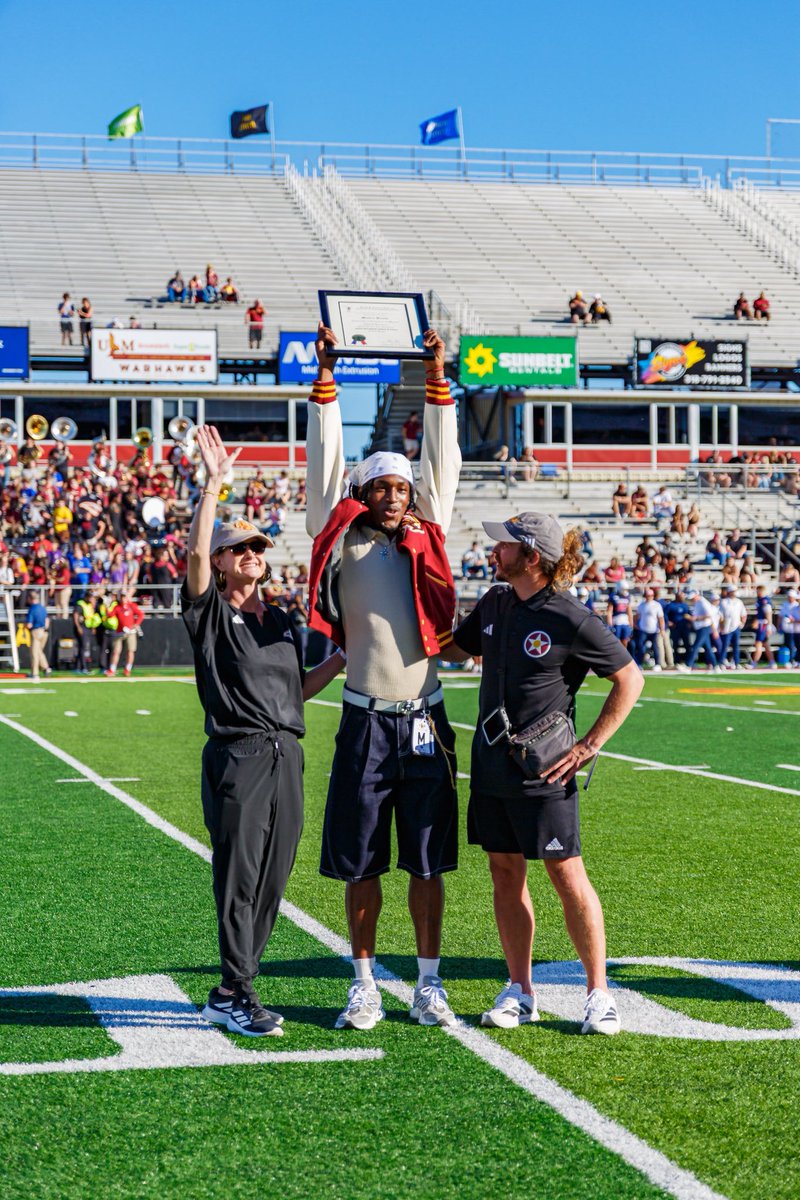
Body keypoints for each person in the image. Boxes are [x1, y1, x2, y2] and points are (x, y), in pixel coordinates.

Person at [306, 322, 461, 1032]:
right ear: (362, 493)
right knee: (362, 862)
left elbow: (442, 461)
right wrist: (326, 379)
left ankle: (428, 983)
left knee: (427, 862)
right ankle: (364, 983)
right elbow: (324, 467)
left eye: (404, 487)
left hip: (427, 719)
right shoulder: (340, 537)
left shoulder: (429, 533)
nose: (397, 496)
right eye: (383, 487)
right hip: (365, 719)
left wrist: (437, 379)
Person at [443, 511, 643, 1033]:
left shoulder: (570, 616)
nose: (495, 551)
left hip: (546, 772)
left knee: (566, 874)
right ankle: (520, 990)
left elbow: (630, 679)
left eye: (505, 545)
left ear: (532, 556)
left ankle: (599, 993)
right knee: (504, 872)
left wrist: (590, 744)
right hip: (490, 766)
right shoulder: (494, 601)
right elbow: (451, 648)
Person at [182, 425, 344, 1037]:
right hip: (240, 754)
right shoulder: (209, 613)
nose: (252, 552)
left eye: (258, 547)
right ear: (222, 562)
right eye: (240, 547)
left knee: (274, 876)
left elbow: (294, 690)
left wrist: (341, 659)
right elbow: (193, 558)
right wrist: (213, 486)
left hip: (287, 754)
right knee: (240, 876)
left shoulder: (278, 620)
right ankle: (241, 989)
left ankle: (229, 990)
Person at [103, 590, 145, 677]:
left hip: (131, 632)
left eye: (124, 597)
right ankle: (112, 669)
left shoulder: (132, 606)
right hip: (120, 632)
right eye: (122, 597)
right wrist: (107, 606)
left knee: (130, 650)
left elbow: (141, 614)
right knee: (116, 651)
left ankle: (127, 669)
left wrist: (136, 624)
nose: (123, 599)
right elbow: (110, 615)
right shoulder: (117, 607)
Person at [679, 590, 720, 672]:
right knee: (708, 648)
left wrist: (694, 618)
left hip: (704, 627)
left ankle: (688, 665)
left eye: (693, 597)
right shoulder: (698, 602)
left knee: (696, 646)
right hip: (700, 628)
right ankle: (716, 666)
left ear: (697, 595)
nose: (692, 599)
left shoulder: (703, 602)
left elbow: (709, 615)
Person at [634, 587, 665, 670]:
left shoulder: (657, 605)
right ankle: (639, 664)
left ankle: (657, 664)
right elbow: (637, 616)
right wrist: (635, 624)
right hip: (643, 630)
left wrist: (662, 629)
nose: (649, 597)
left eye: (650, 595)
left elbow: (660, 618)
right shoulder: (641, 605)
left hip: (654, 630)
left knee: (655, 647)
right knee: (641, 647)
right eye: (647, 595)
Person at [719, 585, 747, 669]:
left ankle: (737, 663)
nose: (734, 593)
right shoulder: (723, 602)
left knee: (736, 646)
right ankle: (721, 663)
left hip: (736, 627)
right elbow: (720, 616)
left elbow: (743, 614)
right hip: (727, 627)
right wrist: (721, 626)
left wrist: (742, 623)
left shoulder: (739, 602)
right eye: (733, 591)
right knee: (725, 645)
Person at [748, 585, 776, 668]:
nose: (757, 593)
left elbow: (768, 614)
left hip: (763, 624)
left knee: (758, 643)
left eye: (758, 591)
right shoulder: (760, 600)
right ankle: (772, 662)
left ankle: (754, 662)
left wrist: (769, 626)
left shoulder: (765, 601)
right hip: (762, 623)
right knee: (765, 644)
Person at [25, 591, 51, 680]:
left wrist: (25, 626)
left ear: (30, 598)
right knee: (39, 651)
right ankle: (46, 668)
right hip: (44, 631)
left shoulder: (32, 609)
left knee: (35, 653)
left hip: (36, 631)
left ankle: (35, 673)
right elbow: (47, 620)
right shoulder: (42, 608)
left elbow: (29, 624)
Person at [606, 582, 633, 649]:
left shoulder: (627, 596)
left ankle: (624, 655)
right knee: (616, 642)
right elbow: (609, 612)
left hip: (625, 622)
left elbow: (629, 611)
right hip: (616, 622)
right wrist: (610, 624)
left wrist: (631, 624)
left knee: (625, 641)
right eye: (624, 589)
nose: (625, 590)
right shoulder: (613, 596)